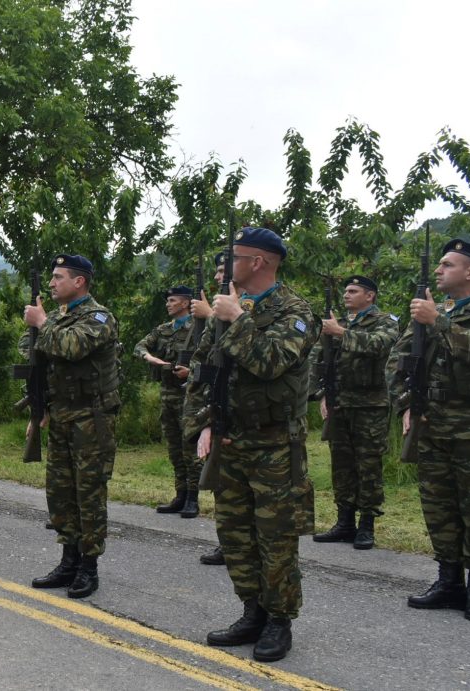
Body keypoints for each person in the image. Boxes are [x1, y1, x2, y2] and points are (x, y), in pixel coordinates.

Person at [185, 228, 318, 662]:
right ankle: (252, 611)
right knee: (235, 533)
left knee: (275, 538)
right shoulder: (231, 307)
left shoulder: (295, 312)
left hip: (275, 442)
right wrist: (204, 423)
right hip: (230, 437)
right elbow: (204, 370)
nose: (227, 266)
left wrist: (237, 320)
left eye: (235, 257)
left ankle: (279, 621)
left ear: (259, 261)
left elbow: (272, 362)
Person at [387, 238, 470, 621]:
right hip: (432, 424)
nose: (439, 271)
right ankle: (449, 579)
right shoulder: (435, 311)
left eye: (448, 265)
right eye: (439, 265)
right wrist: (407, 402)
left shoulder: (446, 316)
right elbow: (398, 359)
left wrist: (437, 322)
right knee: (438, 506)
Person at [25, 254, 120, 599]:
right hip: (62, 415)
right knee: (61, 492)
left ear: (79, 281)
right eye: (50, 277)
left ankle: (88, 567)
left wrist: (41, 324)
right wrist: (41, 408)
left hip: (91, 419)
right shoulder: (57, 317)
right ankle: (68, 560)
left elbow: (73, 346)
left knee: (88, 494)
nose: (51, 284)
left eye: (58, 277)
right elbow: (37, 357)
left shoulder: (98, 317)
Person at [312, 276, 398, 550]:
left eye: (353, 291)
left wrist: (339, 333)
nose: (347, 295)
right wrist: (322, 394)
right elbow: (320, 360)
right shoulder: (340, 324)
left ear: (369, 296)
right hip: (340, 403)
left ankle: (367, 524)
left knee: (368, 465)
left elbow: (379, 345)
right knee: (342, 464)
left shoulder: (385, 321)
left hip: (370, 404)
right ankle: (344, 521)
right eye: (346, 291)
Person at [134, 285, 200, 517]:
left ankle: (193, 497)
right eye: (168, 300)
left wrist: (190, 372)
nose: (168, 304)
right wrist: (151, 358)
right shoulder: (163, 330)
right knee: (174, 448)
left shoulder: (199, 327)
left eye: (172, 300)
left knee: (190, 447)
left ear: (185, 303)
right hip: (167, 394)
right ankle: (180, 494)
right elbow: (139, 346)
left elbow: (212, 359)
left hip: (190, 395)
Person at [186, 251, 230, 566]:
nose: (217, 278)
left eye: (223, 271)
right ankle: (228, 542)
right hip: (220, 412)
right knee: (223, 488)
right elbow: (203, 365)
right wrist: (205, 419)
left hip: (259, 424)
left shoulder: (272, 308)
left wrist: (212, 316)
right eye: (215, 272)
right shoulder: (217, 314)